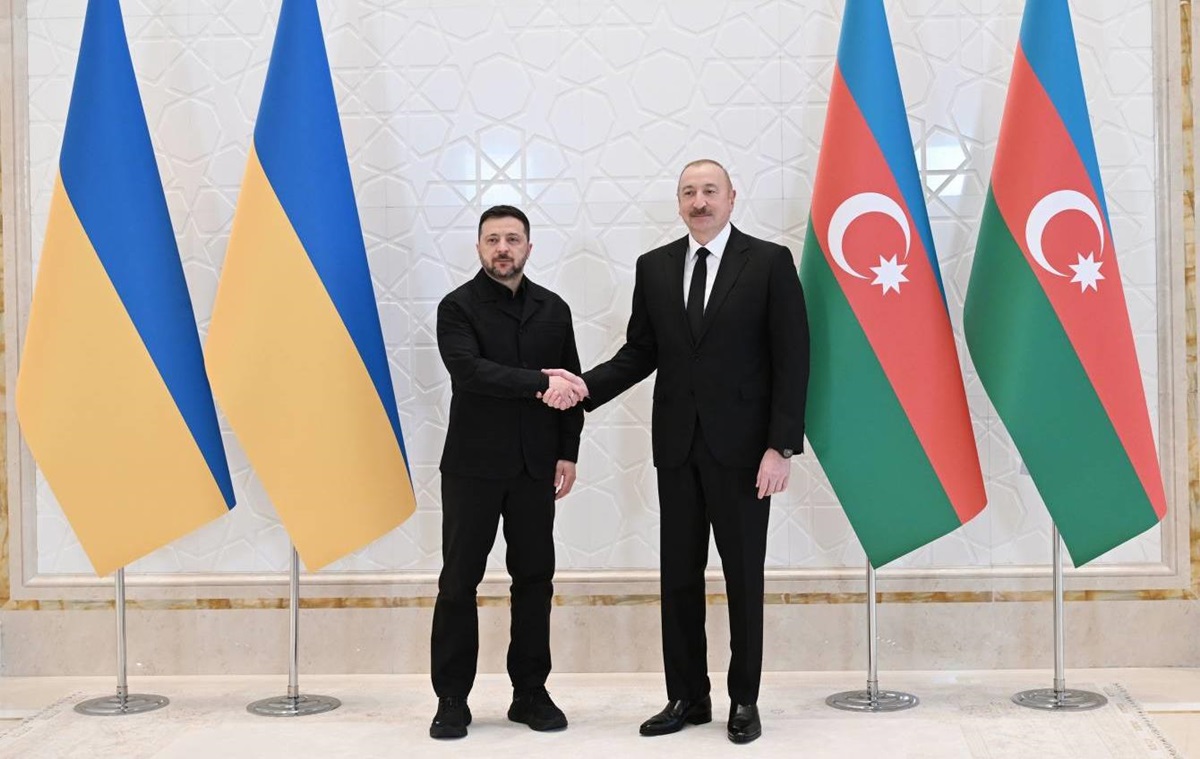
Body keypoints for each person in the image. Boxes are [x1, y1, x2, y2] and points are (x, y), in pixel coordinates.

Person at [545, 160, 809, 744]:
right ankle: (687, 696)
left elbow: (793, 358)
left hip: (746, 454)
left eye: (710, 191)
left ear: (732, 197)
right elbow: (641, 352)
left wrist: (781, 446)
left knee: (743, 579)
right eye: (689, 192)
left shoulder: (769, 262)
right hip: (677, 448)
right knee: (679, 578)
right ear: (679, 202)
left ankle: (744, 700)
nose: (699, 201)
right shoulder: (655, 266)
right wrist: (585, 387)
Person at [430, 205, 585, 739]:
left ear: (528, 248)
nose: (503, 248)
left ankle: (530, 693)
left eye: (513, 239)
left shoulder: (554, 309)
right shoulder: (457, 307)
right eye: (493, 239)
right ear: (478, 247)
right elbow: (469, 372)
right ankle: (452, 698)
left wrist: (568, 452)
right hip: (472, 467)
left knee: (535, 579)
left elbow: (573, 386)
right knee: (458, 581)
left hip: (534, 467)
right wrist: (540, 383)